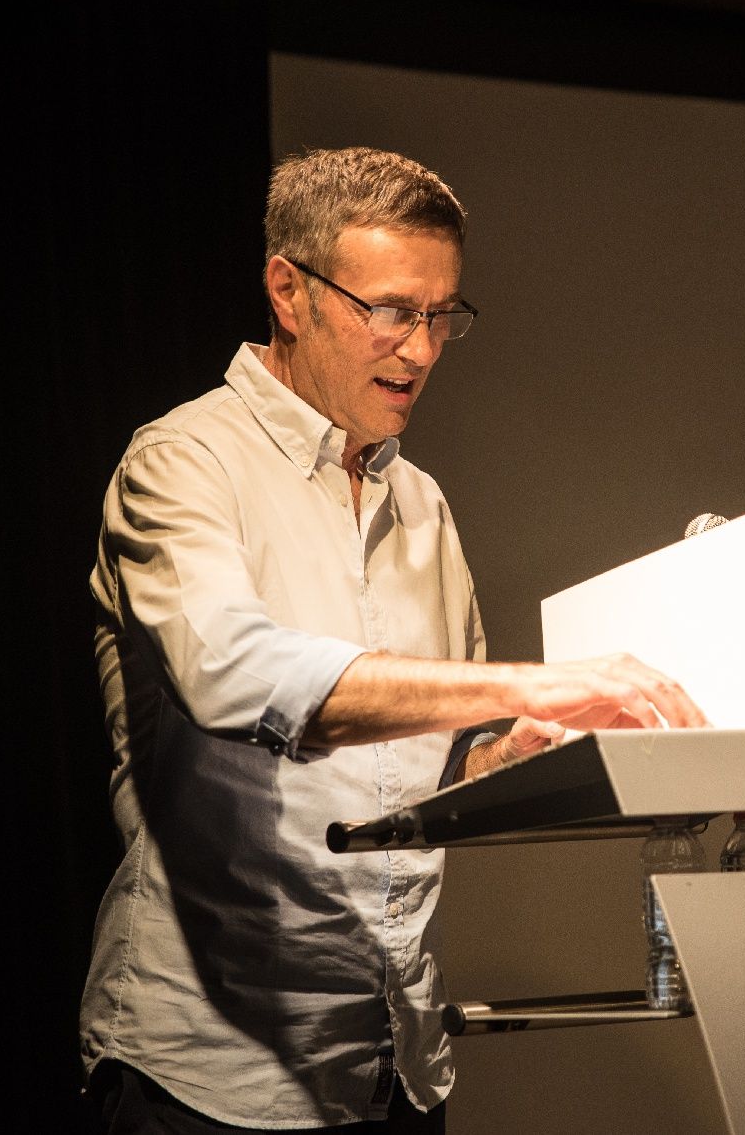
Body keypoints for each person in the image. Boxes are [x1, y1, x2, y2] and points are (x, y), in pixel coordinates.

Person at [79, 147, 707, 1132]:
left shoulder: (422, 506)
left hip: (394, 1071)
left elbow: (436, 771)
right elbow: (236, 675)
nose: (417, 350)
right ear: (288, 290)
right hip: (208, 1079)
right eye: (389, 309)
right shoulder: (181, 463)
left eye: (439, 314)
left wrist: (522, 748)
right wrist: (536, 683)